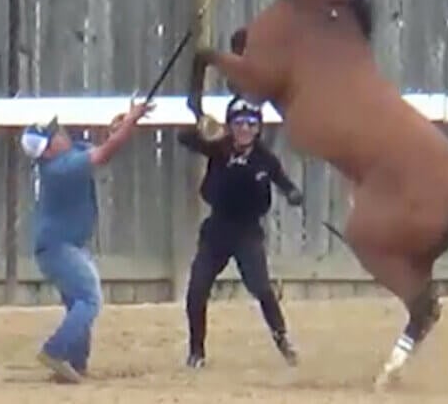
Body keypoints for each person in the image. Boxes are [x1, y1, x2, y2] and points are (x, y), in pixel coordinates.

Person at [20, 99, 155, 383]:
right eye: (56, 133)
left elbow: (102, 146)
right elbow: (104, 154)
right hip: (60, 246)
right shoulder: (62, 168)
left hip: (58, 245)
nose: (63, 133)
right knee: (89, 299)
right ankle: (54, 351)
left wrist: (121, 125)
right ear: (47, 149)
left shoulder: (63, 160)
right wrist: (130, 123)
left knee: (77, 303)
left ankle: (74, 364)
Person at [177, 95, 303, 369]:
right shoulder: (218, 147)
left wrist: (293, 193)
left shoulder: (264, 159)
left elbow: (284, 182)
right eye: (238, 123)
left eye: (251, 123)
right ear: (230, 125)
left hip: (247, 232)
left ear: (258, 128)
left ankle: (282, 339)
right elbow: (182, 138)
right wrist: (203, 128)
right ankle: (196, 352)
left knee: (261, 287)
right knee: (196, 290)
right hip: (217, 230)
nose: (245, 129)